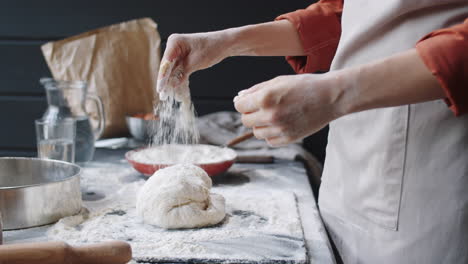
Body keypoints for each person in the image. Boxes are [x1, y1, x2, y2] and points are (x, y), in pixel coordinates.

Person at [157, 0, 468, 263]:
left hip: (428, 179)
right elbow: (353, 14)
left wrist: (335, 94)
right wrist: (226, 41)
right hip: (351, 167)